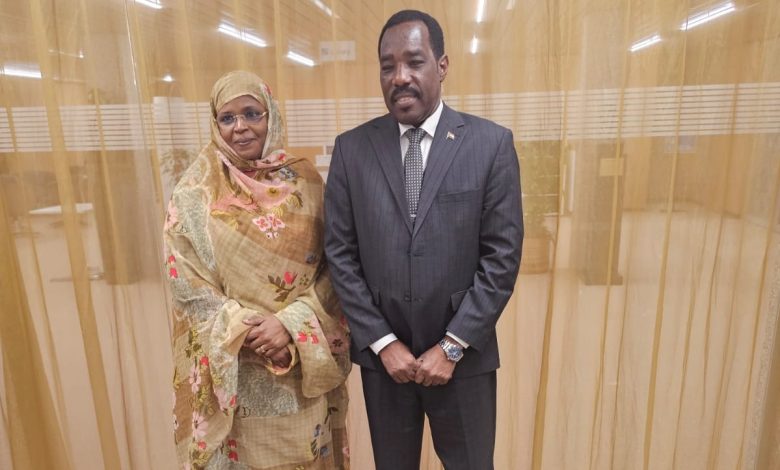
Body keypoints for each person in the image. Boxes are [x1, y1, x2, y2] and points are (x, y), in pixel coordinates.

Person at [324, 9, 523, 470]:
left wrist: (452, 346)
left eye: (414, 62)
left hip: (464, 361)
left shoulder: (489, 145)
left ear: (442, 65)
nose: (400, 77)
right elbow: (340, 254)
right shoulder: (352, 150)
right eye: (387, 66)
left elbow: (502, 257)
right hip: (386, 365)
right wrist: (382, 342)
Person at [164, 70, 350, 470]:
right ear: (215, 124)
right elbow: (186, 280)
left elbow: (336, 265)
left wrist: (289, 325)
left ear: (272, 116)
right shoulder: (195, 192)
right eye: (227, 118)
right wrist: (246, 329)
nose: (241, 127)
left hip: (301, 366)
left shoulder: (306, 182)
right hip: (236, 375)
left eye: (252, 113)